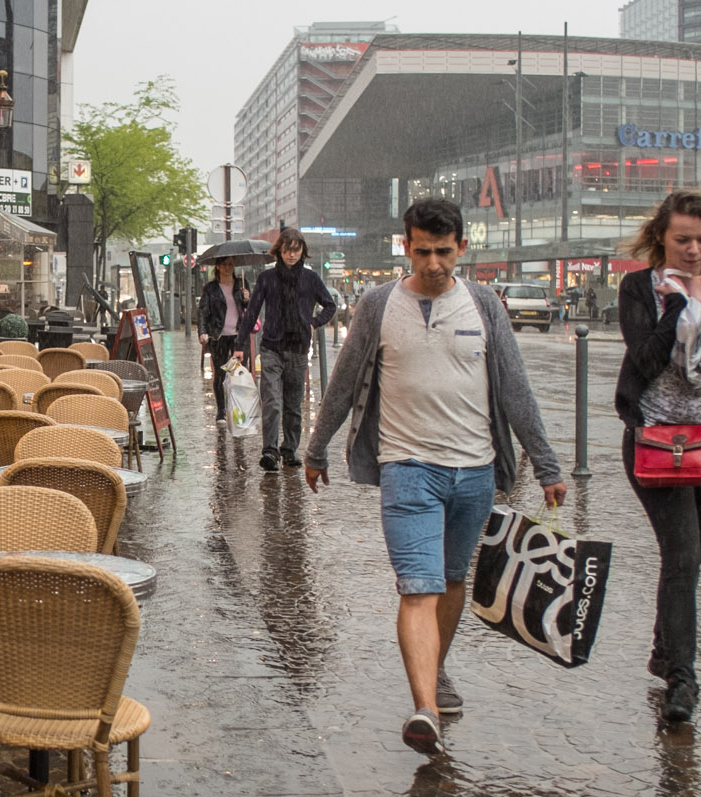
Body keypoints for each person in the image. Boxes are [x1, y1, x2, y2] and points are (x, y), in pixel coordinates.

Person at [302, 197, 565, 755]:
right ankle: (424, 708)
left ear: (462, 248)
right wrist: (317, 446)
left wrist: (547, 465)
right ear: (407, 245)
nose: (433, 263)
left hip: (474, 472)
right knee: (417, 584)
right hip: (406, 468)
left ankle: (436, 671)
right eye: (422, 251)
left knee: (448, 580)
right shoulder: (378, 305)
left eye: (444, 252)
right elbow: (346, 381)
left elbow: (515, 390)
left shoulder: (485, 305)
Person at [614, 190, 701, 724]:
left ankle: (664, 650)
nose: (694, 250)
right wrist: (679, 303)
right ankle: (683, 678)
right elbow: (646, 357)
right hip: (655, 441)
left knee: (690, 558)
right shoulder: (638, 287)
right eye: (682, 240)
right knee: (680, 555)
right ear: (661, 239)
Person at [233, 227, 337, 471]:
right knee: (272, 402)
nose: (292, 255)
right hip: (271, 348)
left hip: (298, 349)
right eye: (287, 250)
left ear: (303, 252)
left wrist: (314, 323)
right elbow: (253, 312)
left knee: (293, 404)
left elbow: (330, 306)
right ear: (279, 250)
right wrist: (239, 345)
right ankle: (270, 450)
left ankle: (289, 449)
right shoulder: (267, 279)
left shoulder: (311, 279)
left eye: (296, 250)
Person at [197, 259, 249, 423]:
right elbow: (203, 311)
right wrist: (202, 331)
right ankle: (221, 410)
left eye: (231, 264)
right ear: (217, 267)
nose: (228, 268)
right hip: (219, 336)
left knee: (238, 374)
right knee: (220, 374)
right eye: (225, 264)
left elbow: (250, 309)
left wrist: (247, 298)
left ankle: (238, 410)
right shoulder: (211, 288)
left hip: (238, 337)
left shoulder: (241, 283)